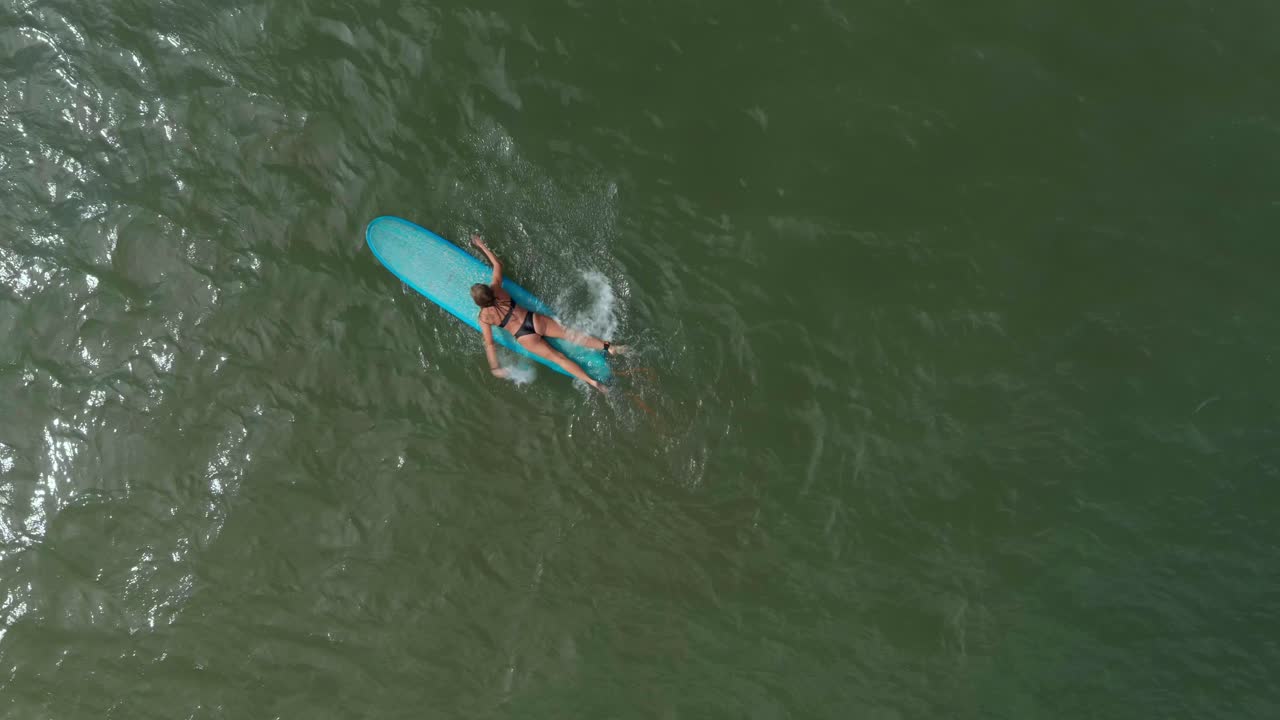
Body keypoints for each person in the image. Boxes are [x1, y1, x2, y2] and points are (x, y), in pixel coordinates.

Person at [469, 235, 623, 393]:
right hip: (533, 320)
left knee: (559, 359)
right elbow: (497, 264)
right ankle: (609, 347)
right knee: (569, 334)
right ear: (488, 290)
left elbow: (489, 344)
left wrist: (495, 368)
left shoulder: (484, 318)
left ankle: (592, 382)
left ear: (478, 304)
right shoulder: (497, 289)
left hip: (524, 337)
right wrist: (481, 245)